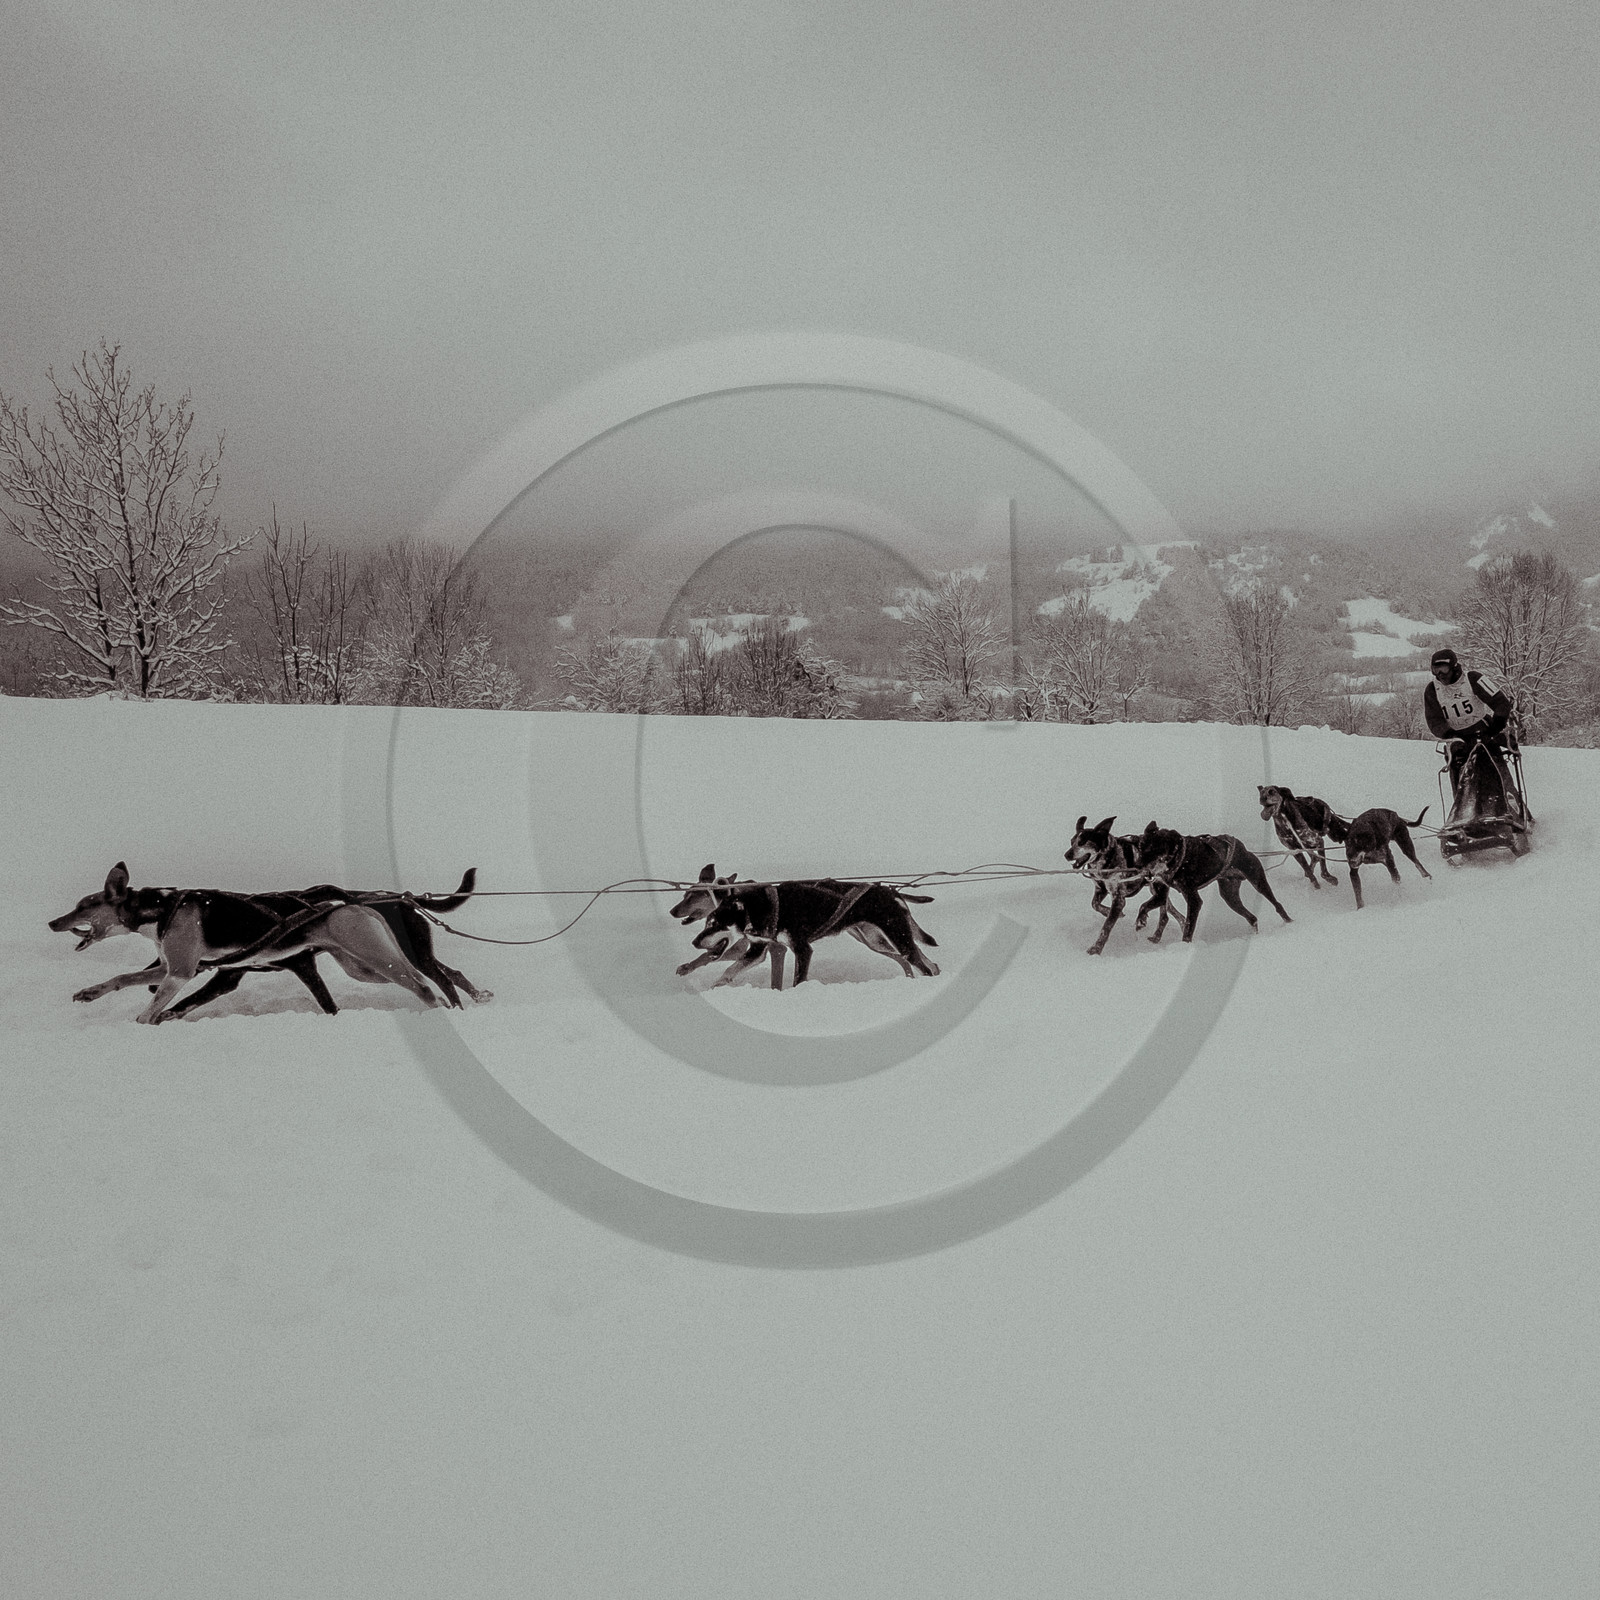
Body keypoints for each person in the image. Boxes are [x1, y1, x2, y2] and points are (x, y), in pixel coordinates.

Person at [1423, 646, 1513, 802]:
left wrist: (1496, 725)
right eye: (1435, 670)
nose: (1440, 675)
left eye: (1444, 669)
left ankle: (1511, 802)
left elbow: (1500, 702)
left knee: (1497, 771)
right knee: (1461, 781)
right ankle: (1463, 811)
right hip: (1457, 740)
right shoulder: (1432, 690)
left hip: (1483, 732)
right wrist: (1449, 734)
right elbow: (1434, 719)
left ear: (1454, 666)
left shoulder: (1473, 679)